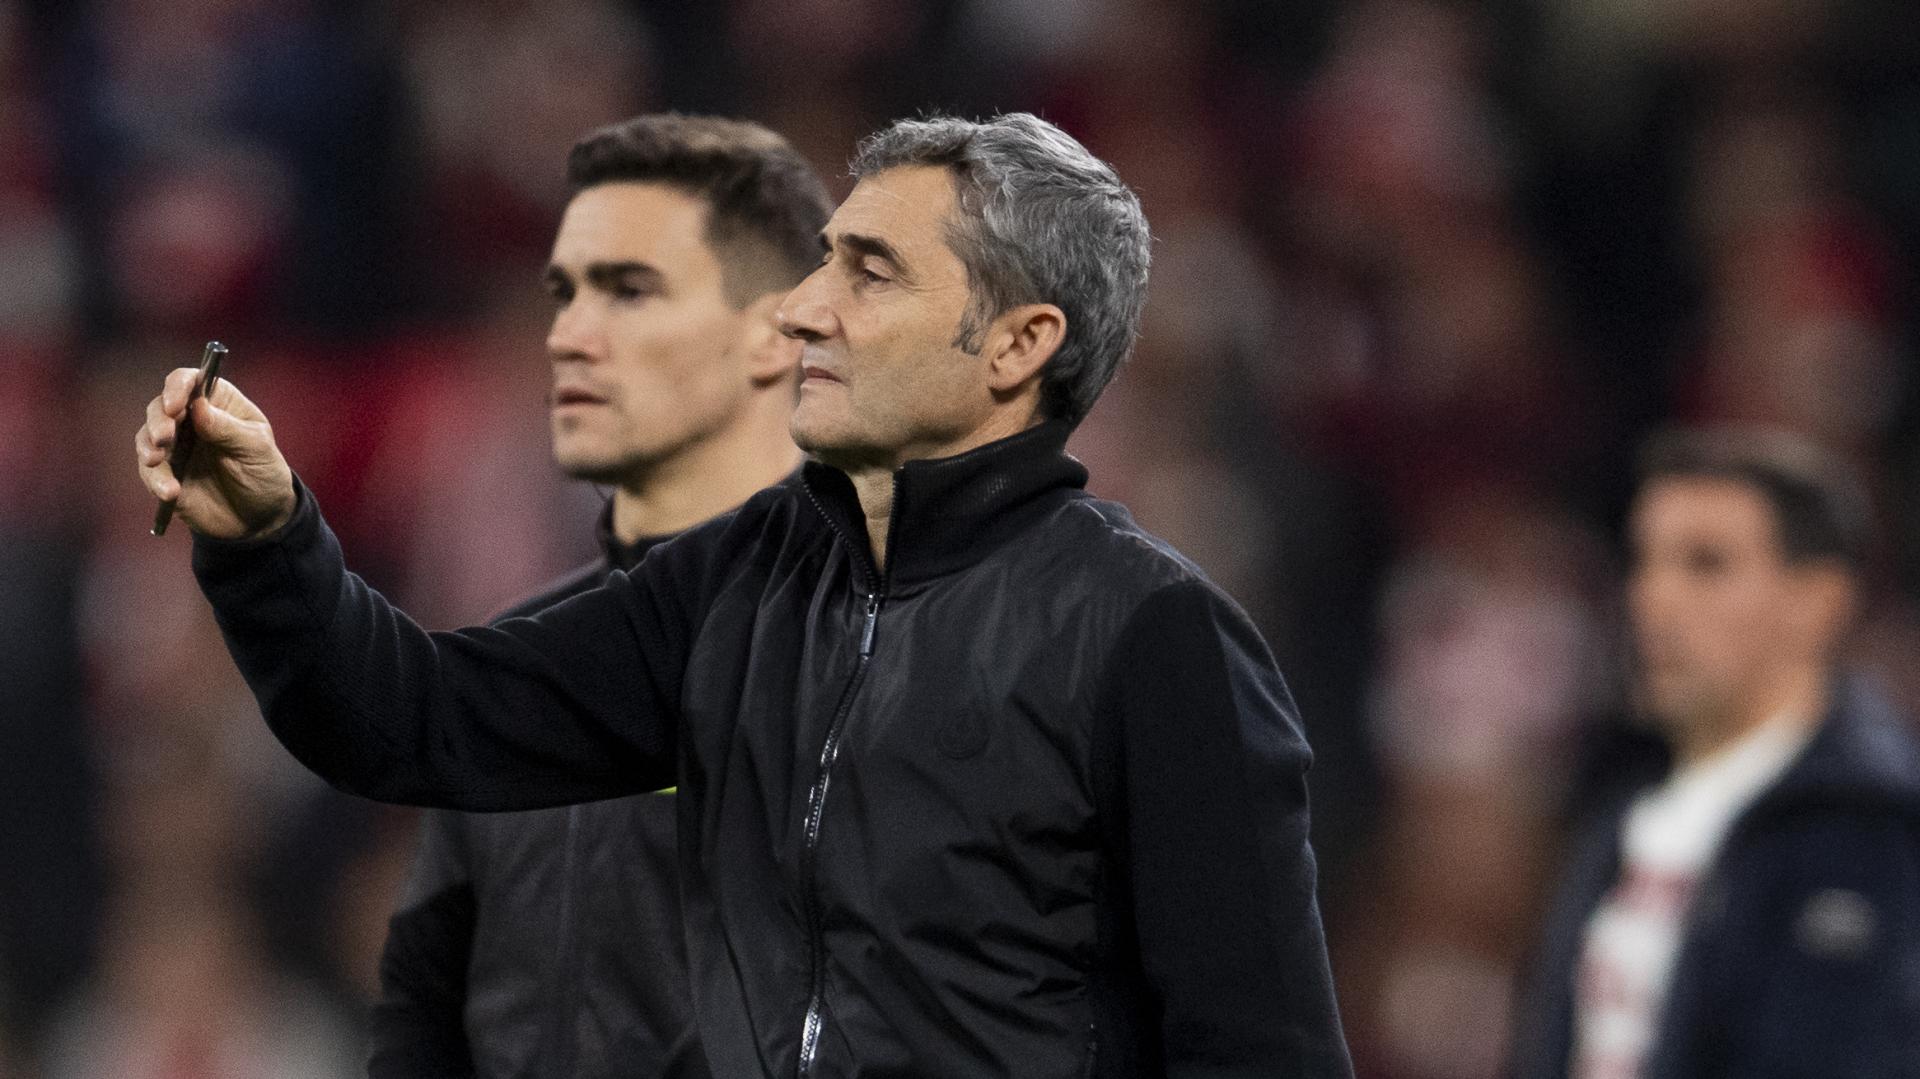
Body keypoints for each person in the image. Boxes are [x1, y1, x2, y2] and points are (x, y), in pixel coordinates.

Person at [136, 112, 1353, 1077]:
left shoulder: (1151, 634)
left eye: (869, 271)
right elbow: (419, 717)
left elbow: (1263, 1051)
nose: (803, 306)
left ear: (1018, 343)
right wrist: (268, 538)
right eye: (824, 257)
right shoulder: (747, 577)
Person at [365, 115, 833, 1078]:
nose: (569, 337)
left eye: (630, 293)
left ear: (771, 334)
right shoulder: (510, 653)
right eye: (565, 295)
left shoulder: (872, 653)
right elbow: (422, 1005)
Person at [1509, 428, 1920, 1079]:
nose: (1652, 599)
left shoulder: (1877, 832)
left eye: (1705, 563)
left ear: (1819, 602)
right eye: (1644, 560)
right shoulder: (1615, 828)